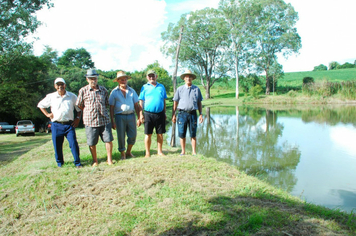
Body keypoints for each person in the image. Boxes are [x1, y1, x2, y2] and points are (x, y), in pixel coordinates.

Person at [37, 78, 82, 168]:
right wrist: (47, 114)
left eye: (62, 84)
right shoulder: (51, 96)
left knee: (73, 144)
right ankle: (60, 163)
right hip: (56, 124)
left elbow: (79, 108)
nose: (60, 86)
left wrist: (77, 118)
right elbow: (40, 105)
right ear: (55, 86)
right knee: (57, 145)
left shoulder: (72, 96)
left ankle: (77, 163)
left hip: (69, 124)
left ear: (65, 85)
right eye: (58, 85)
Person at [76, 68, 114, 166]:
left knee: (108, 139)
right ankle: (95, 160)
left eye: (95, 78)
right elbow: (79, 105)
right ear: (87, 79)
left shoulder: (103, 90)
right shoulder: (83, 91)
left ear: (97, 78)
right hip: (90, 120)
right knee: (92, 142)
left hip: (104, 119)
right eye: (91, 78)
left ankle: (109, 159)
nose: (93, 80)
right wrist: (88, 110)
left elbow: (106, 103)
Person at [109, 71, 142, 160]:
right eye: (121, 80)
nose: (124, 81)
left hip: (131, 115)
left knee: (133, 135)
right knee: (121, 136)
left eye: (125, 79)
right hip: (119, 116)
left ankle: (128, 151)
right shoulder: (114, 92)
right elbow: (111, 107)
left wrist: (139, 117)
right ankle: (122, 153)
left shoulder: (132, 91)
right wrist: (112, 121)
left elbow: (136, 105)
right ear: (118, 81)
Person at [172, 69, 203, 155]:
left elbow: (199, 102)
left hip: (193, 113)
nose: (188, 78)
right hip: (182, 114)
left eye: (190, 77)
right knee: (182, 133)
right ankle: (183, 151)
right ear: (184, 78)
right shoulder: (180, 89)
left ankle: (194, 152)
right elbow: (175, 102)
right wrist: (173, 115)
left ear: (192, 78)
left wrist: (200, 114)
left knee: (193, 133)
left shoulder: (196, 89)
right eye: (186, 77)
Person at [138, 69, 167, 157]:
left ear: (156, 76)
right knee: (148, 134)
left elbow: (164, 100)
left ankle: (160, 151)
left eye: (153, 76)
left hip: (160, 113)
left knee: (160, 134)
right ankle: (147, 152)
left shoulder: (161, 87)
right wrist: (140, 114)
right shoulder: (144, 87)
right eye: (149, 76)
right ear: (147, 77)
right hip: (148, 114)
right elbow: (141, 101)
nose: (151, 78)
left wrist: (164, 113)